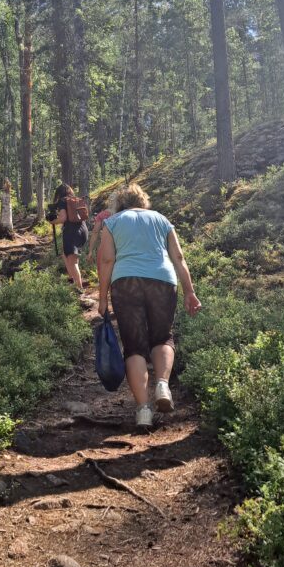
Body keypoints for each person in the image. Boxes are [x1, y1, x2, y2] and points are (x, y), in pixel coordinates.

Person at [97, 183, 201, 430]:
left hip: (126, 282)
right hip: (162, 280)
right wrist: (190, 291)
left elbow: (107, 259)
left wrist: (102, 298)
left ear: (119, 203)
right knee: (163, 338)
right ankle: (162, 384)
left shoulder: (112, 222)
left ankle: (143, 411)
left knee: (134, 348)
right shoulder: (162, 220)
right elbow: (178, 257)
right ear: (143, 201)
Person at [52, 183, 89, 291]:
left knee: (72, 261)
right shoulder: (75, 199)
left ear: (59, 193)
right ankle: (72, 280)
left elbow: (63, 218)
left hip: (72, 232)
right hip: (83, 230)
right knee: (67, 255)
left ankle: (79, 288)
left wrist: (54, 221)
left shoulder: (63, 201)